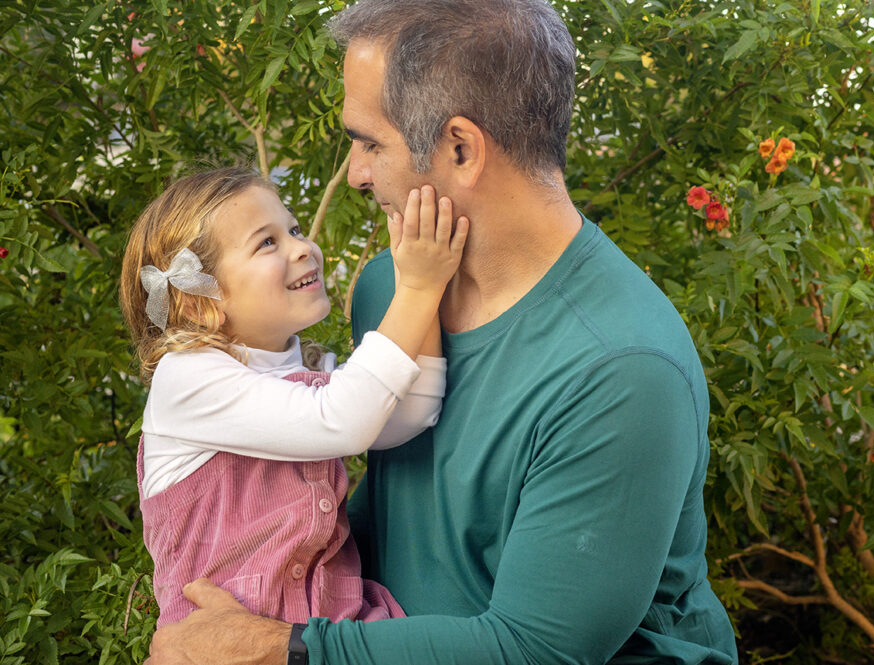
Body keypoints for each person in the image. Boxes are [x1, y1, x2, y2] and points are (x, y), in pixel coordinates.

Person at [144, 1, 739, 663]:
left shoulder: (621, 370)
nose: (358, 172)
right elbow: (392, 512)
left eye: (370, 142)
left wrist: (284, 646)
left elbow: (538, 650)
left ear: (460, 148)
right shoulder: (390, 293)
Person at [120, 167, 468, 627]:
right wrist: (416, 288)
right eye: (267, 242)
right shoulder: (188, 380)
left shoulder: (313, 374)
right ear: (198, 302)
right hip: (225, 652)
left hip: (333, 633)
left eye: (295, 229)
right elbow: (345, 420)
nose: (303, 247)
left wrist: (430, 289)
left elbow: (412, 413)